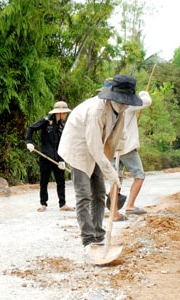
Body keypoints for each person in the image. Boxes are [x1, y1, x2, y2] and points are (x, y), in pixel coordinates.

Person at [58, 74, 146, 250]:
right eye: (122, 100)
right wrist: (112, 173)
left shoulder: (120, 110)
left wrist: (120, 146)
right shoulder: (96, 111)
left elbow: (120, 134)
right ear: (113, 96)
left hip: (97, 147)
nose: (124, 104)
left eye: (127, 101)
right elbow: (94, 147)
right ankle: (88, 239)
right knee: (84, 195)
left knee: (99, 193)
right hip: (78, 146)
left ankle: (99, 234)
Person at [26, 101, 75, 212]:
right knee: (44, 181)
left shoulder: (63, 125)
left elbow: (64, 143)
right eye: (65, 113)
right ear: (60, 113)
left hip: (58, 157)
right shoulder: (46, 121)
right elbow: (31, 128)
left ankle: (62, 204)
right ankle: (43, 203)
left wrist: (62, 160)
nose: (66, 115)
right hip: (45, 156)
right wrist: (29, 142)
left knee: (61, 181)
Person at [111, 87, 152, 218]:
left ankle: (114, 210)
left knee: (116, 178)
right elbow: (147, 101)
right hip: (126, 147)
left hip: (111, 148)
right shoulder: (128, 105)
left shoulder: (108, 107)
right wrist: (143, 93)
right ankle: (130, 205)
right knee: (139, 174)